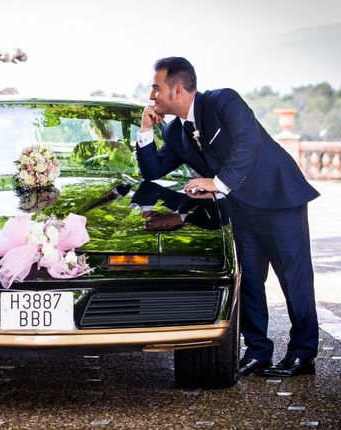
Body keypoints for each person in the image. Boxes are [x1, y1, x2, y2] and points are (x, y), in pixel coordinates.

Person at [135, 57, 320, 377]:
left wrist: (217, 184)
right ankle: (258, 351)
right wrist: (146, 130)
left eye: (156, 88)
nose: (152, 96)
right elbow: (151, 171)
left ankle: (303, 354)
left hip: (277, 200)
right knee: (248, 281)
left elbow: (248, 142)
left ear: (177, 90)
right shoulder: (178, 132)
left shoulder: (224, 101)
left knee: (293, 278)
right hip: (240, 210)